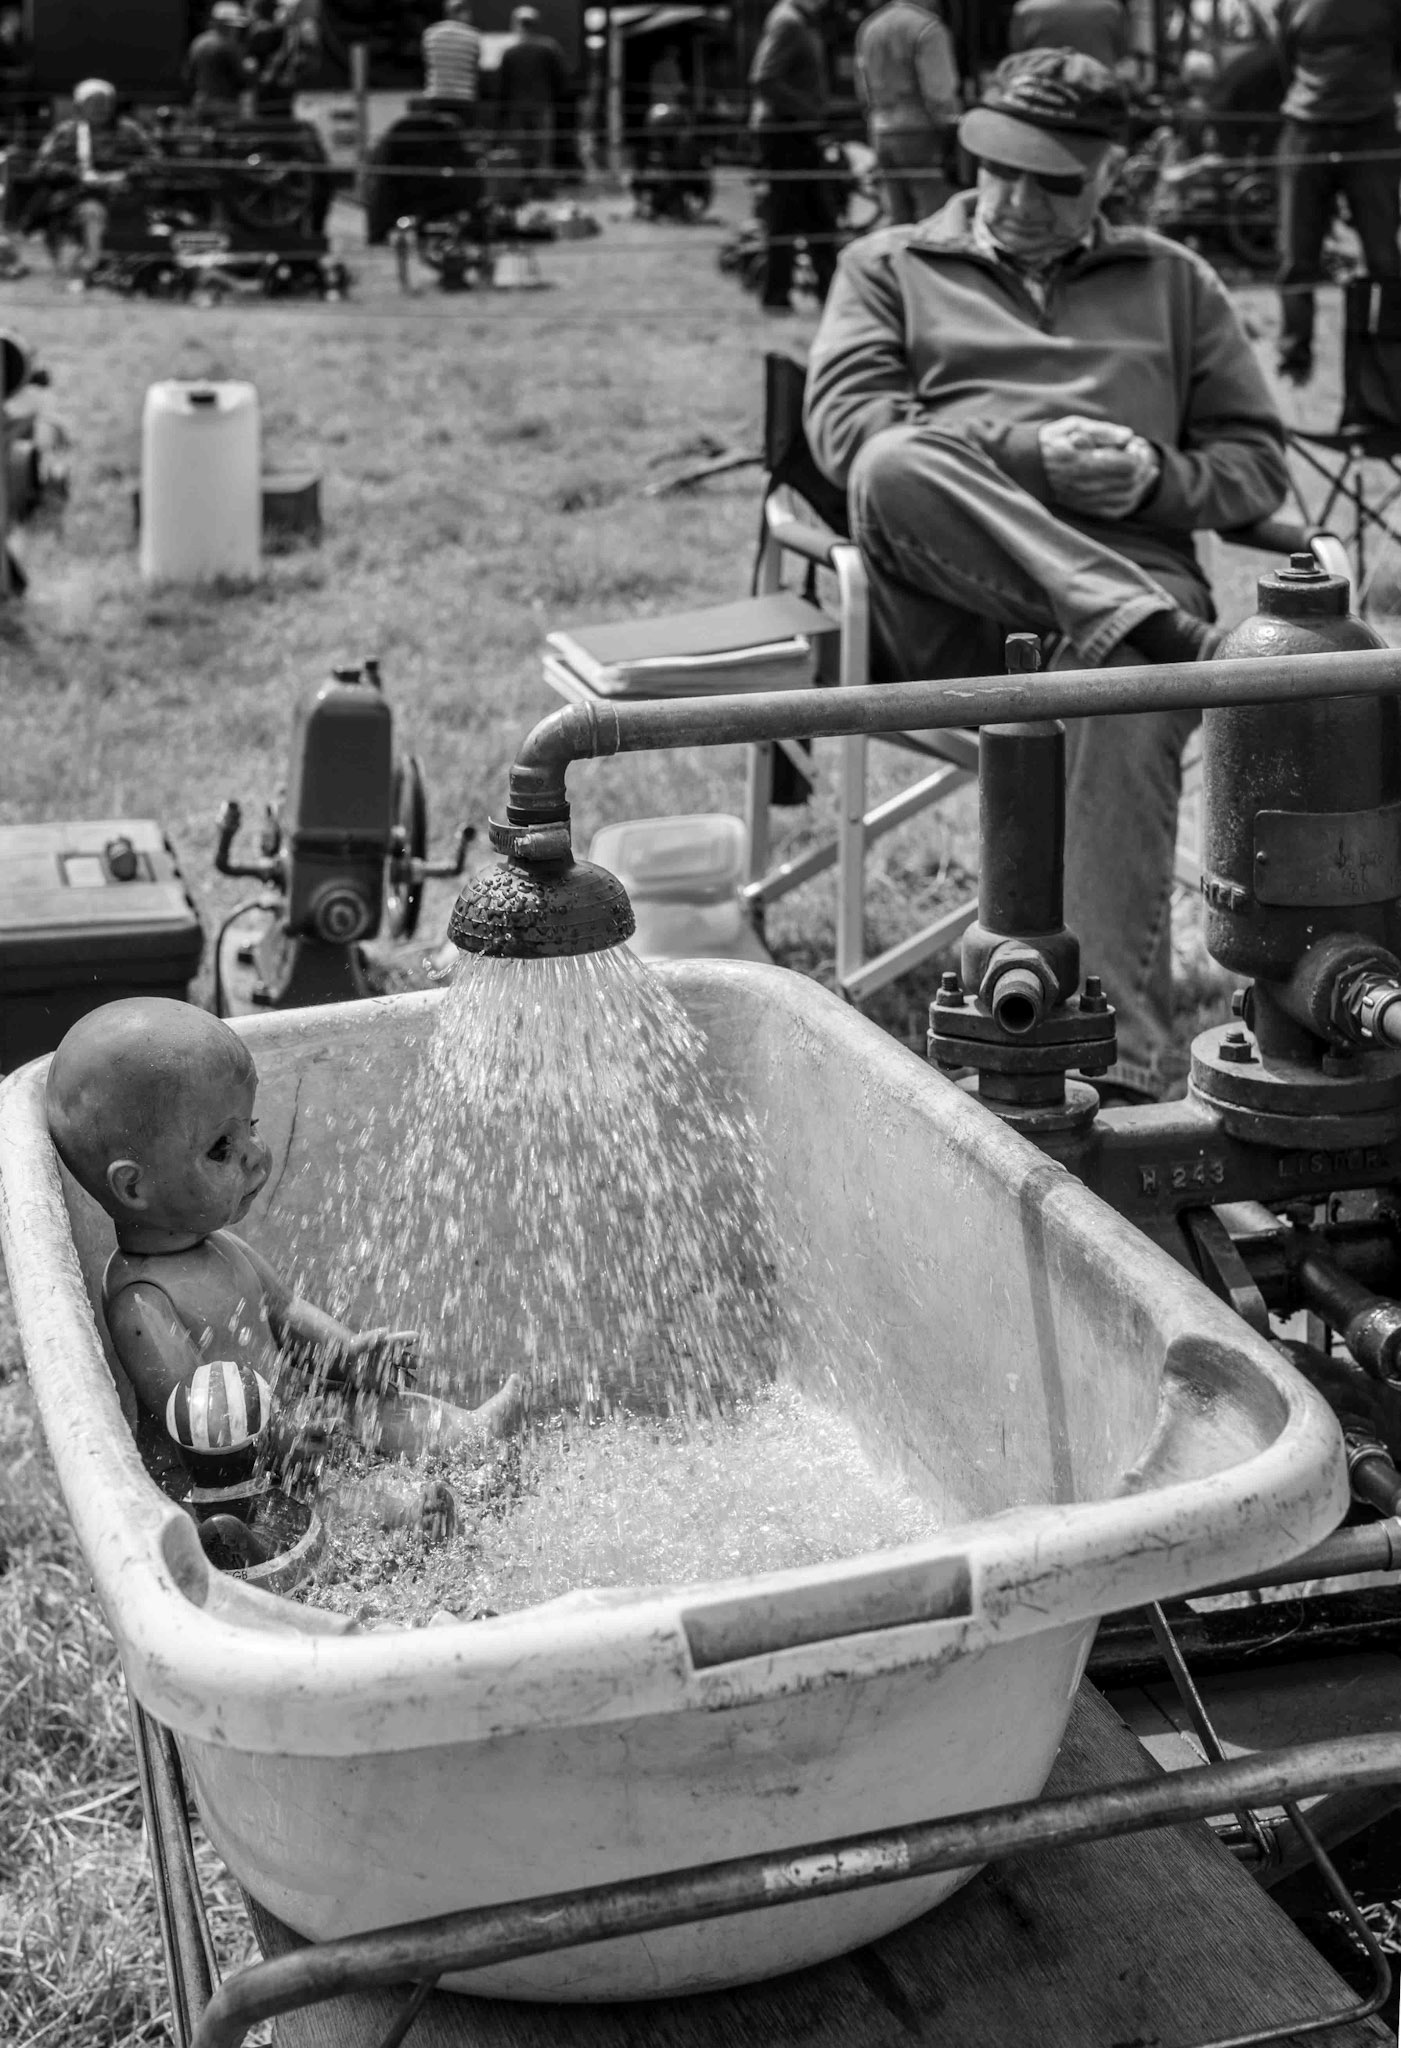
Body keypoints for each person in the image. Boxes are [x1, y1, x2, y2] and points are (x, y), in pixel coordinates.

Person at [803, 48, 1289, 1102]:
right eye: (998, 167)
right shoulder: (886, 265)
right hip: (946, 596)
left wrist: (1157, 474)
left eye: (1054, 180)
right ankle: (1163, 645)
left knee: (1115, 702)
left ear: (1113, 172)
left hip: (1128, 572)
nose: (1018, 199)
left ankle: (1109, 1077)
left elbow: (1256, 466)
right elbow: (851, 430)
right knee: (896, 461)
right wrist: (1024, 456)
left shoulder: (1174, 281)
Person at [45, 999, 525, 1499]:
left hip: (293, 1418)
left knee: (374, 1409)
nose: (254, 1154)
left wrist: (349, 1356)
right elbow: (192, 1415)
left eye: (249, 1127)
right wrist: (278, 1443)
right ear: (134, 1188)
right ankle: (407, 1512)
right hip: (231, 1473)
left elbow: (285, 1311)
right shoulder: (141, 1301)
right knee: (312, 1497)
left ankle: (469, 1436)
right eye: (221, 1148)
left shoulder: (221, 1246)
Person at [1274, 0, 1401, 386]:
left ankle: (1389, 364)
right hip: (1306, 131)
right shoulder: (1292, 5)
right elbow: (1284, 61)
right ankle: (1294, 360)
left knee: (1384, 257)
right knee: (1296, 255)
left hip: (1372, 130)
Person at [749, 0, 836, 311]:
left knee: (816, 215)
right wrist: (808, 110)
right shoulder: (789, 21)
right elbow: (764, 78)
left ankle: (830, 293)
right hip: (786, 130)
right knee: (791, 214)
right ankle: (777, 295)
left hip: (795, 128)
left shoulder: (799, 20)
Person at [31, 77, 153, 279]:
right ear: (80, 105)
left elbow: (155, 160)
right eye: (94, 102)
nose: (100, 108)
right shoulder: (66, 133)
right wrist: (78, 175)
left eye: (105, 102)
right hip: (78, 198)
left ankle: (138, 271)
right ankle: (90, 268)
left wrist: (125, 175)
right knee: (91, 212)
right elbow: (41, 166)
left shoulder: (130, 131)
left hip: (126, 195)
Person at [854, 0, 960, 227]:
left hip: (881, 128)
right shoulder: (928, 27)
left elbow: (861, 87)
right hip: (921, 130)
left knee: (897, 218)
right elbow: (939, 92)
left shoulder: (870, 27)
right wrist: (953, 131)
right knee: (934, 219)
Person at [498, 6, 569, 187]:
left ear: (517, 25)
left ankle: (516, 187)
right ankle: (542, 187)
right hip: (542, 104)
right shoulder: (549, 47)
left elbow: (503, 84)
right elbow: (561, 78)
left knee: (518, 149)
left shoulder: (510, 52)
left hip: (517, 106)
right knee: (543, 150)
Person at [1008, 0, 1129, 69]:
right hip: (1100, 88)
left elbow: (1018, 51)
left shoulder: (1026, 9)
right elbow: (1121, 52)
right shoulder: (1112, 8)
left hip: (1041, 87)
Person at [185, 2, 256, 119]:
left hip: (201, 102)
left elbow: (188, 76)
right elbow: (243, 79)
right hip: (226, 106)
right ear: (226, 25)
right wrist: (251, 68)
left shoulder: (198, 42)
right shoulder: (229, 46)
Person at [422, 0, 482, 126]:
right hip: (463, 97)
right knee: (461, 137)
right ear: (463, 13)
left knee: (438, 135)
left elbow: (427, 63)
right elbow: (475, 66)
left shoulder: (430, 34)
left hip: (437, 95)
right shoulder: (473, 35)